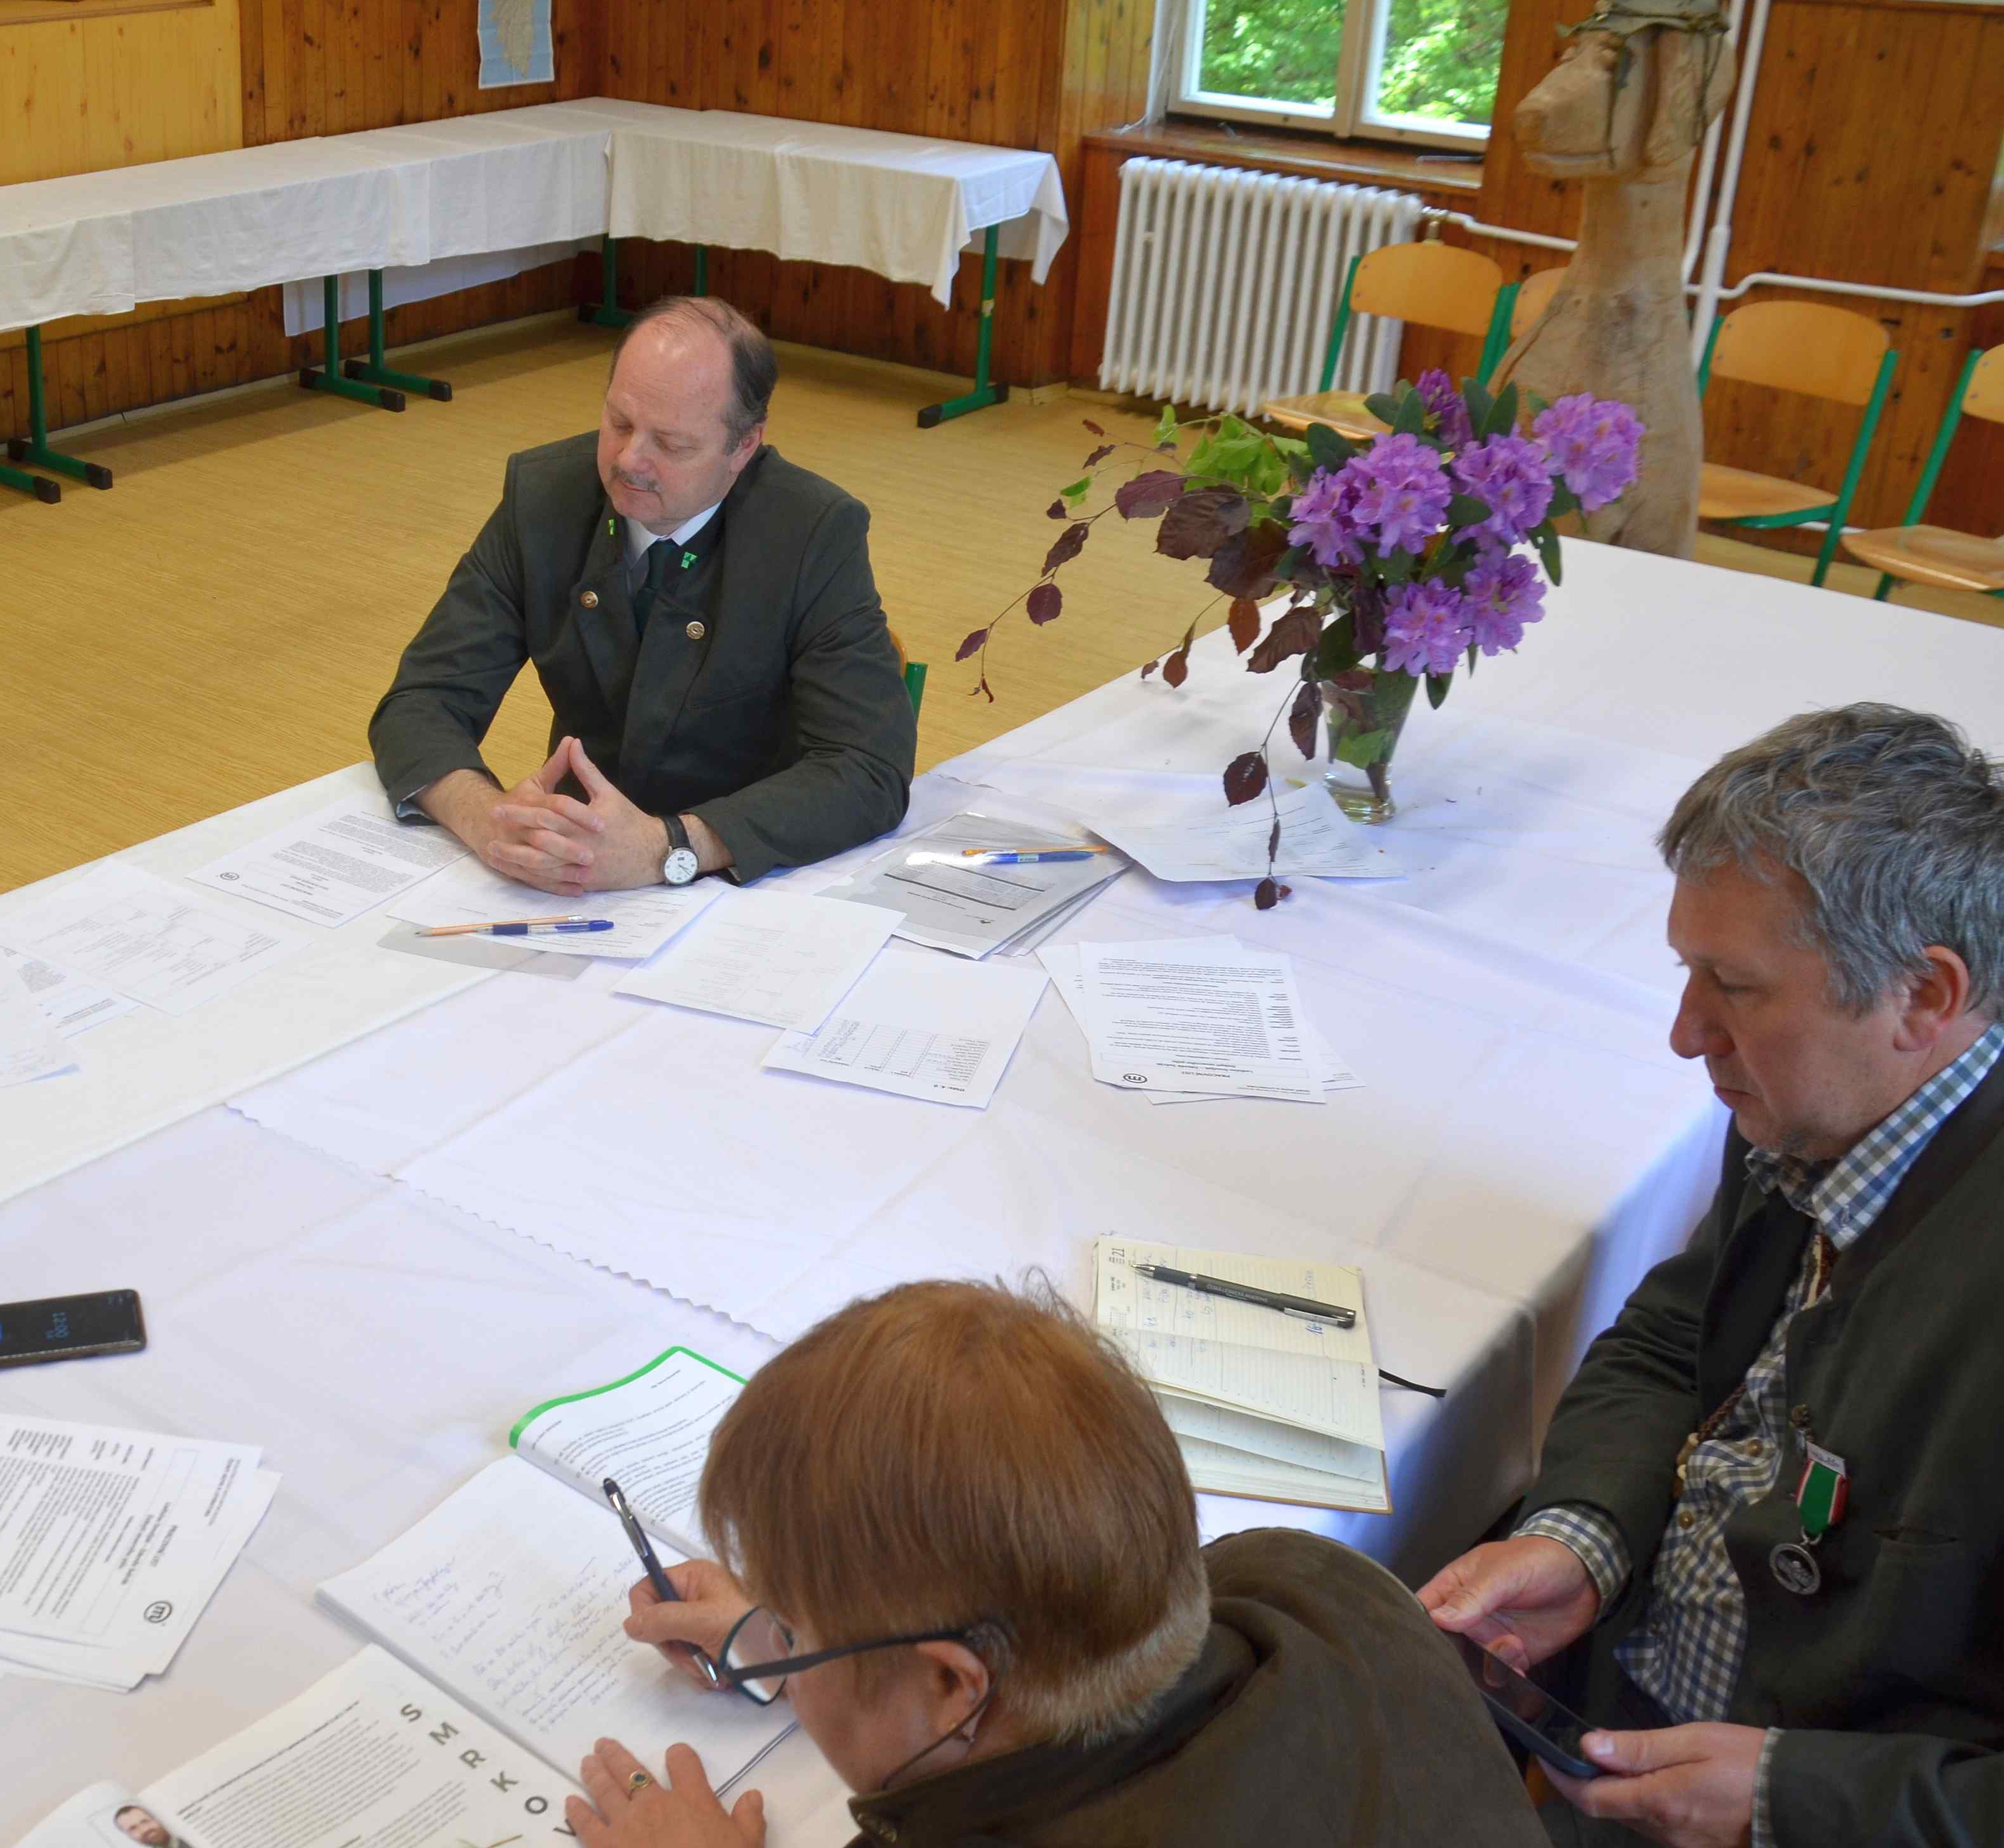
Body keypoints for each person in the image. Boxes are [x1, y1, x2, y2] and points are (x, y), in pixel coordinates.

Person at [1419, 704, 2004, 1848]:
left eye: (1732, 985)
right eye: (1688, 973)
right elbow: (1674, 1343)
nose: (1686, 1036)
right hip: (1630, 1736)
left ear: (1924, 998)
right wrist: (1581, 1538)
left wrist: (1793, 1802)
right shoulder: (1822, 1102)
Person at [577, 1279, 1543, 1847]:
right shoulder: (1311, 1578)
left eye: (792, 1634)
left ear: (952, 1686)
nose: (778, 1647)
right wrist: (843, 1635)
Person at [368, 297, 914, 893]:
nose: (630, 461)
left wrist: (670, 846)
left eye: (672, 445)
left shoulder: (812, 533)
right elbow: (422, 701)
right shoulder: (544, 499)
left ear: (744, 446)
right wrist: (488, 819)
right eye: (620, 423)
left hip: (745, 876)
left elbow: (869, 769)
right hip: (579, 868)